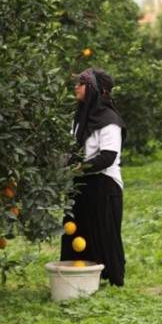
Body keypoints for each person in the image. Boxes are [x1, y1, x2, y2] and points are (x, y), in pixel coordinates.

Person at [61, 68, 126, 286]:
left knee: (103, 232)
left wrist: (78, 168)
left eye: (81, 83)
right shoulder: (79, 118)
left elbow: (107, 157)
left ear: (93, 90)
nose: (75, 87)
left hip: (104, 184)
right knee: (76, 229)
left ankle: (113, 278)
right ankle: (77, 278)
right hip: (81, 182)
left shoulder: (109, 120)